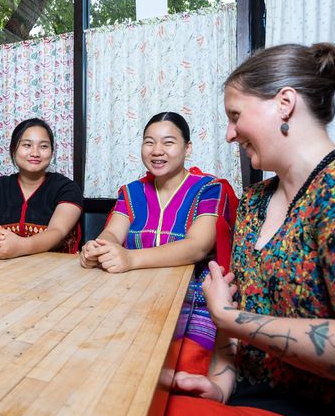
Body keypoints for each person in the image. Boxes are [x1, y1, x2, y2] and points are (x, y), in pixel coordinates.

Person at [164, 43, 335, 416]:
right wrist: (221, 384)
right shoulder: (253, 202)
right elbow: (236, 331)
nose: (230, 134)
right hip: (253, 400)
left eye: (235, 115)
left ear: (284, 103)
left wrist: (231, 318)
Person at [80, 112, 237, 371]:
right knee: (101, 357)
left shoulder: (210, 189)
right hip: (131, 298)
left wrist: (130, 258)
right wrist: (99, 246)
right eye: (149, 142)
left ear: (188, 148)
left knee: (179, 366)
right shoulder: (130, 192)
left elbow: (197, 246)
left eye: (168, 142)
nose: (157, 150)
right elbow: (112, 233)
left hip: (193, 301)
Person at [0, 118, 83, 258]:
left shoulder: (67, 188)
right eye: (27, 145)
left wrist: (19, 247)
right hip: (3, 268)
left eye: (43, 146)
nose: (35, 153)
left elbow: (58, 232)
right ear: (13, 149)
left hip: (56, 269)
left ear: (52, 152)